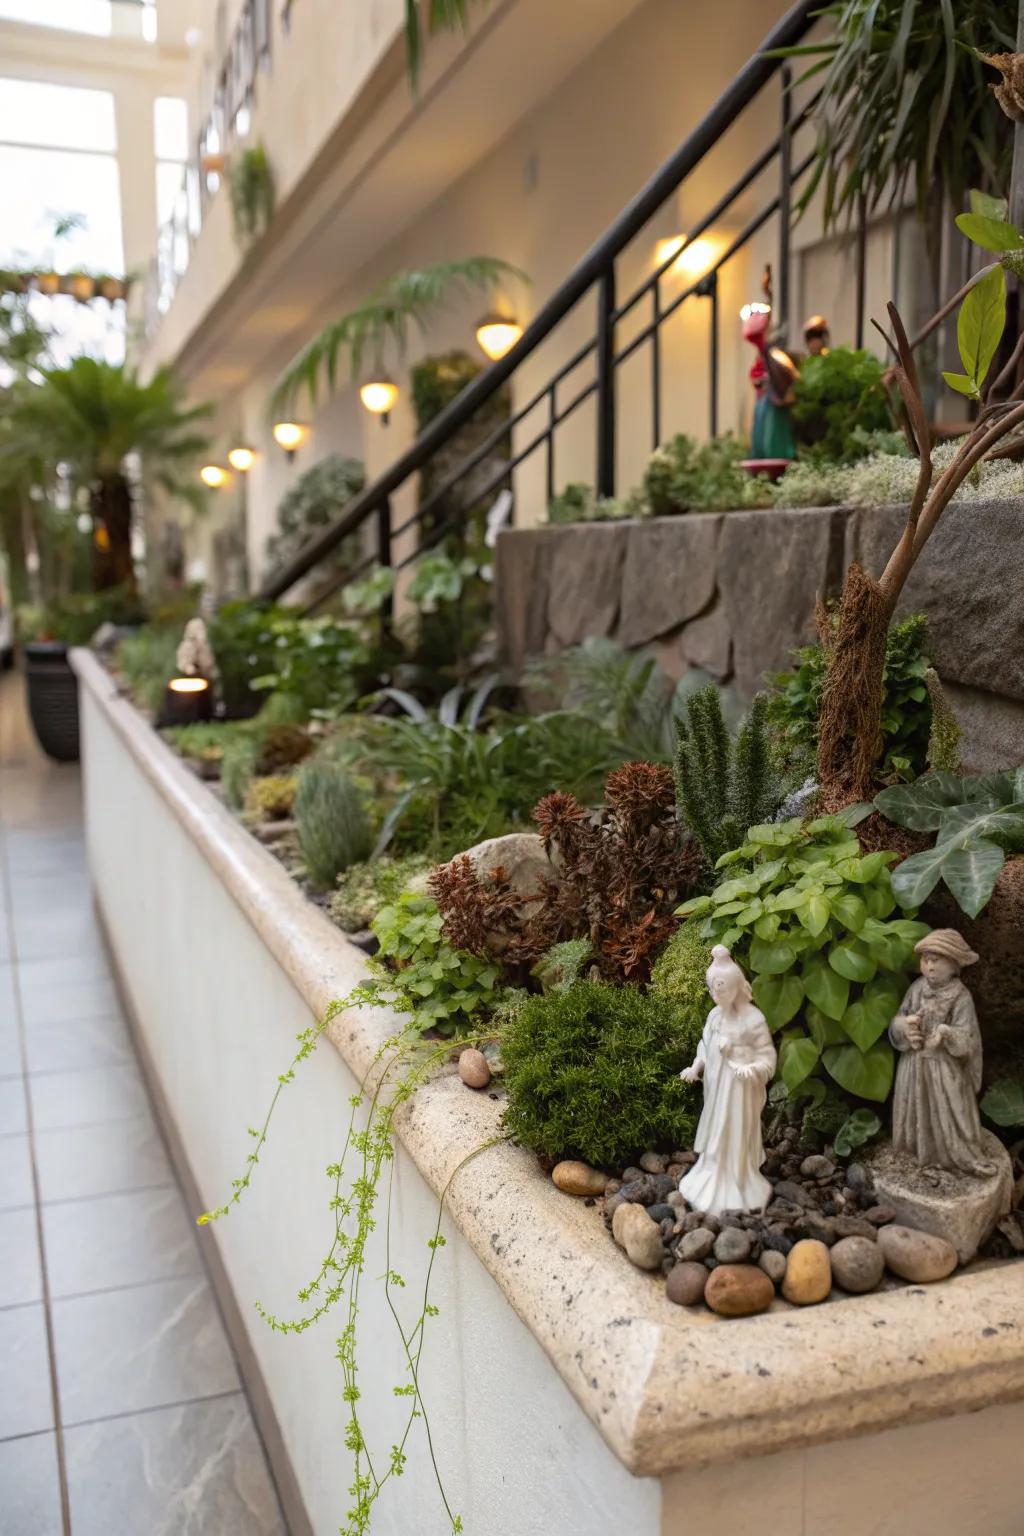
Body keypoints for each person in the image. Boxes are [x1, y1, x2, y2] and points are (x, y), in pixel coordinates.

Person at [678, 945, 776, 1214]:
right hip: (717, 1090)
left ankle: (738, 1180)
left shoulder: (753, 1019)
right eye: (711, 989)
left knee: (736, 1130)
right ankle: (712, 1174)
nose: (715, 994)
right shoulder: (714, 1016)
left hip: (740, 1092)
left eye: (720, 988)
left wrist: (748, 1065)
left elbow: (767, 1057)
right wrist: (696, 1067)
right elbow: (705, 1045)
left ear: (735, 986)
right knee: (716, 1130)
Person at [889, 930, 996, 1177]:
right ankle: (917, 1151)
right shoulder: (916, 988)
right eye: (925, 959)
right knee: (915, 1109)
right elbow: (899, 1018)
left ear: (954, 964)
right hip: (915, 1064)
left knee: (950, 1112)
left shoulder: (961, 996)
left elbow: (968, 1037)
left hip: (943, 1068)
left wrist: (945, 1033)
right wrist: (905, 1027)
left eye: (937, 960)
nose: (929, 966)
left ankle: (956, 1154)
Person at [741, 301, 798, 461]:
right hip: (766, 402)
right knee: (762, 441)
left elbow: (790, 379)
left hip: (775, 404)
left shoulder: (775, 356)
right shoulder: (764, 357)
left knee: (774, 442)